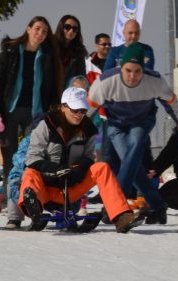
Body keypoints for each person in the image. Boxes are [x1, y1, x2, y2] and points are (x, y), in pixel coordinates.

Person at [18, 87, 142, 233]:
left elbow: (89, 157)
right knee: (30, 173)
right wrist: (55, 170)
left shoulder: (88, 128)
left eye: (82, 111)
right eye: (74, 110)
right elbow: (32, 157)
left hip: (69, 189)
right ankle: (35, 213)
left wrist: (77, 169)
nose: (79, 115)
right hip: (45, 189)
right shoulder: (46, 125)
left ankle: (121, 217)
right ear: (63, 107)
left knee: (101, 167)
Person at [88, 43, 178, 224]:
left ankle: (113, 205)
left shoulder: (154, 80)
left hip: (142, 122)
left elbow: (171, 102)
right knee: (131, 163)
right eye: (128, 70)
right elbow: (89, 109)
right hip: (116, 124)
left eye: (137, 71)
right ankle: (157, 206)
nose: (132, 76)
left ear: (143, 69)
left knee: (133, 150)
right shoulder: (106, 82)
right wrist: (80, 132)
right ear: (120, 68)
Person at [0, 16, 61, 218]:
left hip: (35, 112)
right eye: (37, 29)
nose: (40, 34)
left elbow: (53, 85)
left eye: (45, 31)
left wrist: (53, 109)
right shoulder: (11, 51)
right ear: (28, 29)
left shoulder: (47, 55)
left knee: (31, 157)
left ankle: (28, 199)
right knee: (10, 157)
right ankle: (7, 201)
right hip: (10, 111)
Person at [53, 14, 88, 85]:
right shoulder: (50, 46)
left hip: (68, 91)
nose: (71, 31)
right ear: (61, 27)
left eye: (75, 29)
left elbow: (81, 76)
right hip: (48, 89)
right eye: (67, 27)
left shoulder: (79, 51)